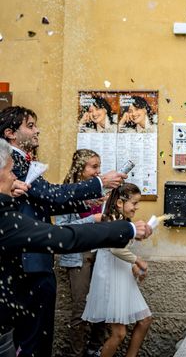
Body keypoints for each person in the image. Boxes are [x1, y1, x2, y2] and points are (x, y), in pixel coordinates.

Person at [0, 139, 152, 357]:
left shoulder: (9, 209)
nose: (16, 177)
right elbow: (64, 235)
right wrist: (125, 229)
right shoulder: (5, 218)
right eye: (11, 171)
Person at [82, 183, 152, 357]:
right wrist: (138, 261)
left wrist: (133, 266)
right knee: (119, 333)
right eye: (134, 203)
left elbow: (122, 250)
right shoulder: (110, 221)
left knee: (145, 320)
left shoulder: (124, 222)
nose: (137, 208)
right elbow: (114, 248)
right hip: (110, 280)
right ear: (120, 203)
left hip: (122, 277)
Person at [55, 149, 107, 357]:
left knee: (101, 305)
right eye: (93, 167)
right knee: (81, 309)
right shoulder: (66, 192)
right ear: (80, 168)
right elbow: (62, 228)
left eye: (99, 166)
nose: (98, 171)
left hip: (101, 254)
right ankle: (77, 353)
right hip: (79, 256)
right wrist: (91, 220)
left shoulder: (97, 191)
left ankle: (95, 349)